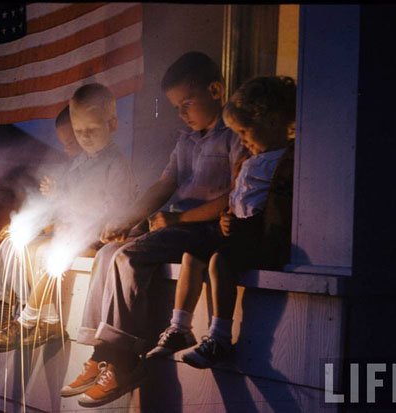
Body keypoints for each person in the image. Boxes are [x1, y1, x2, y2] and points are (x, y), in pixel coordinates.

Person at [61, 52, 246, 408]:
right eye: (176, 107)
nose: (182, 113)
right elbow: (164, 183)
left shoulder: (232, 138)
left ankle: (125, 361)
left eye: (186, 104)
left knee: (130, 256)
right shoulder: (187, 140)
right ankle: (102, 353)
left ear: (216, 90)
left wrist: (177, 220)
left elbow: (231, 198)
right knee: (108, 253)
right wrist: (129, 219)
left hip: (204, 230)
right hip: (176, 228)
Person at [0, 83, 137, 353]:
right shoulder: (80, 162)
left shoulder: (116, 163)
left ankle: (27, 321)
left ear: (112, 125)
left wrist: (73, 201)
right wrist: (51, 199)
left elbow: (114, 206)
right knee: (27, 247)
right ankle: (44, 318)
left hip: (95, 236)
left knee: (52, 253)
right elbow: (65, 200)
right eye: (79, 132)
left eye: (91, 131)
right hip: (69, 229)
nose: (84, 138)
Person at [173, 76, 297, 369]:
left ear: (272, 120)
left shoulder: (289, 159)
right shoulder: (251, 158)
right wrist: (228, 216)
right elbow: (240, 196)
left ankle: (219, 337)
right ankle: (179, 326)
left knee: (220, 262)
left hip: (261, 237)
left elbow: (278, 206)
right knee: (192, 253)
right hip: (238, 230)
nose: (242, 141)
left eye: (244, 131)